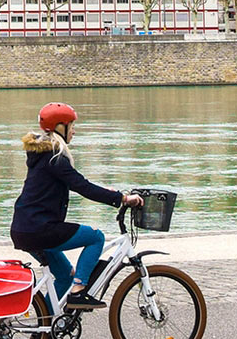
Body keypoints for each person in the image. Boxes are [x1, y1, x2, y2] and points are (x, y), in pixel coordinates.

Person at [9, 103, 142, 310]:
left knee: (64, 276)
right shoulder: (55, 159)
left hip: (25, 229)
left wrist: (109, 193)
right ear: (59, 127)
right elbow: (82, 186)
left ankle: (43, 332)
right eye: (71, 125)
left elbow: (71, 185)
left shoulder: (42, 156)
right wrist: (122, 199)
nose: (74, 130)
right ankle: (78, 291)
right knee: (96, 236)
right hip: (40, 230)